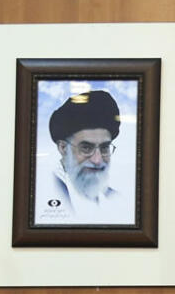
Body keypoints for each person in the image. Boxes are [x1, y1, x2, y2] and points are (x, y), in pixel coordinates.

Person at [35, 89, 134, 226]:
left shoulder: (115, 198)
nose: (97, 160)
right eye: (86, 148)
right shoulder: (45, 191)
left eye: (104, 148)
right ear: (63, 148)